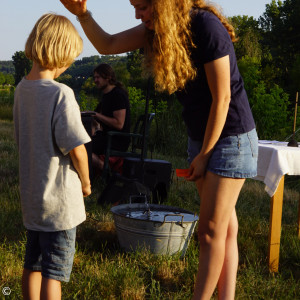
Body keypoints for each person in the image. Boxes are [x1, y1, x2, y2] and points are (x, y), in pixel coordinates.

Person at [60, 0, 258, 299]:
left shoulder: (205, 25)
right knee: (223, 230)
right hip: (201, 137)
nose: (137, 14)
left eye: (142, 6)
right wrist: (83, 15)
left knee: (209, 231)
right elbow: (109, 43)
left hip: (229, 136)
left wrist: (205, 154)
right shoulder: (157, 29)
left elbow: (223, 98)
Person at [13, 13, 91, 300]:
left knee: (32, 264)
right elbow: (76, 147)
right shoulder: (62, 94)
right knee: (53, 273)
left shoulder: (21, 90)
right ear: (60, 54)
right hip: (59, 206)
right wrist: (86, 182)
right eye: (69, 60)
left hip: (33, 199)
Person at [88, 63, 131, 175]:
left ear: (108, 77)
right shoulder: (106, 95)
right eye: (94, 77)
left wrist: (96, 115)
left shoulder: (117, 94)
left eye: (98, 77)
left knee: (82, 148)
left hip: (117, 140)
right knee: (78, 141)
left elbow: (119, 124)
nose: (95, 80)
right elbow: (99, 121)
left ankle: (107, 171)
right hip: (107, 137)